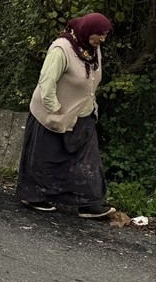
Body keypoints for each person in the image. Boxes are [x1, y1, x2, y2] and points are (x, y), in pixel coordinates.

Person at [16, 13, 115, 218]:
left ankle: (89, 203)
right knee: (45, 157)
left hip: (83, 111)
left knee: (88, 159)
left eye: (105, 35)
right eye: (100, 34)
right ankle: (35, 196)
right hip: (53, 111)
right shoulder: (61, 49)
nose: (102, 40)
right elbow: (47, 83)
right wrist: (56, 111)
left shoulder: (92, 48)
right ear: (88, 31)